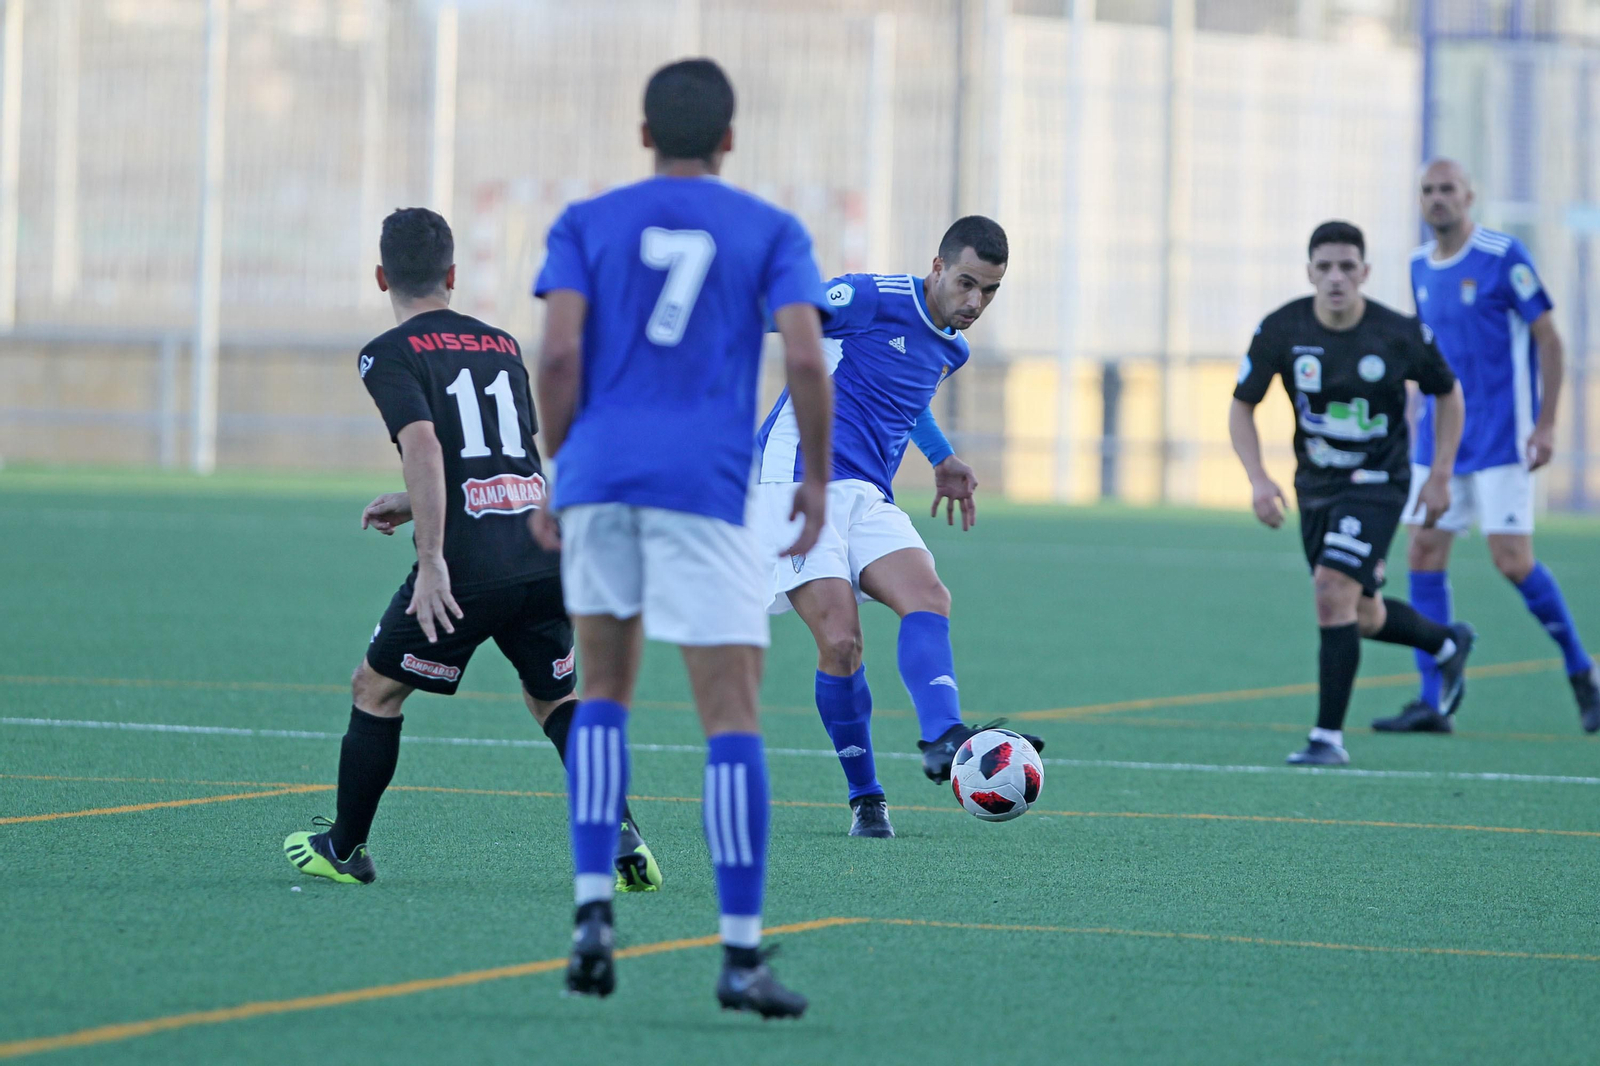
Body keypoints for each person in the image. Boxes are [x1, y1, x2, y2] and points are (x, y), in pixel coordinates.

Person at [531, 58, 832, 1018]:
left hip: (601, 481)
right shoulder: (770, 228)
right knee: (731, 718)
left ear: (642, 132)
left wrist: (563, 466)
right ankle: (740, 956)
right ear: (731, 138)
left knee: (605, 698)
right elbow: (803, 353)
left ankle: (591, 913)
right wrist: (817, 479)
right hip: (703, 492)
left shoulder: (585, 221)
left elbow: (562, 351)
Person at [282, 208, 659, 892]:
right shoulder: (502, 344)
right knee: (554, 700)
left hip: (470, 565)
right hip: (545, 552)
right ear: (453, 275)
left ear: (380, 276)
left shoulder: (387, 353)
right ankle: (621, 831)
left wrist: (432, 560)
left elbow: (425, 444)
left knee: (377, 689)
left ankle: (344, 847)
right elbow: (509, 455)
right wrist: (415, 500)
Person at [751, 216, 1043, 838]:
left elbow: (905, 399)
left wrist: (942, 459)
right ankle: (867, 798)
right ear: (937, 268)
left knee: (928, 596)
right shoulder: (871, 296)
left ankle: (944, 735)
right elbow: (782, 314)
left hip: (867, 494)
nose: (975, 302)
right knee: (841, 642)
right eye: (966, 283)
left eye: (989, 291)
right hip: (796, 479)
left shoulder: (952, 349)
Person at [1229, 220, 1475, 767]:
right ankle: (1445, 642)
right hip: (1315, 489)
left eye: (1347, 267)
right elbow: (1242, 404)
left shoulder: (1398, 333)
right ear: (1310, 272)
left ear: (1365, 272)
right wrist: (1258, 478)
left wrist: (1440, 473)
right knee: (1359, 613)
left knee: (1330, 589)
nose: (1336, 278)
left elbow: (1449, 393)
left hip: (1378, 485)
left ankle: (1327, 739)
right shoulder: (1282, 329)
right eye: (1325, 267)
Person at [1375, 158, 1599, 734]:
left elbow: (1550, 340)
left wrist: (1546, 425)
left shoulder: (1504, 257)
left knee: (1512, 561)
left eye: (1447, 189)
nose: (1437, 199)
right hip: (1438, 443)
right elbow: (1422, 356)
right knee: (1423, 553)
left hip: (1503, 438)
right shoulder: (1418, 267)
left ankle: (1582, 670)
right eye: (1427, 190)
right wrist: (1405, 420)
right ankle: (1433, 698)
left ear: (1470, 195)